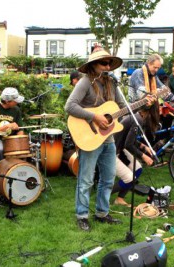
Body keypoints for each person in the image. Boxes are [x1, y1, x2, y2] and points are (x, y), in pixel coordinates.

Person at [65, 46, 124, 231]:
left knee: (107, 179)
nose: (107, 67)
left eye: (109, 63)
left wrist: (142, 105)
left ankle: (102, 213)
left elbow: (123, 107)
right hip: (88, 138)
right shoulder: (85, 83)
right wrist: (95, 117)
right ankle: (82, 215)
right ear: (93, 65)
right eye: (103, 63)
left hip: (107, 139)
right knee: (86, 180)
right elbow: (70, 106)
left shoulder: (112, 84)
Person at [112, 114, 154, 207]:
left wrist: (143, 146)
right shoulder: (137, 119)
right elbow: (128, 144)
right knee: (129, 178)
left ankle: (119, 199)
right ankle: (103, 195)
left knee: (137, 169)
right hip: (110, 153)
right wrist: (143, 156)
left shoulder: (137, 117)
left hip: (119, 150)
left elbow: (129, 140)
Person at [0, 87, 25, 161]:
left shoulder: (16, 110)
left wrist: (20, 140)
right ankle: (2, 169)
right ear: (7, 101)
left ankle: (18, 168)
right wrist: (7, 126)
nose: (17, 102)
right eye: (15, 101)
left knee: (23, 148)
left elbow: (20, 129)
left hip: (10, 138)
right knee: (0, 148)